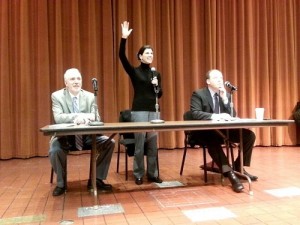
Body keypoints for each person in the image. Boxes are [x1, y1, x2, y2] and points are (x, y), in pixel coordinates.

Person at [49, 68, 115, 196]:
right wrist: (78, 117)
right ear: (66, 82)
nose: (76, 82)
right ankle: (61, 184)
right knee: (55, 150)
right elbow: (58, 117)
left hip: (87, 137)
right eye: (72, 79)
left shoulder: (90, 96)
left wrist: (88, 117)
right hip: (65, 138)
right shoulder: (57, 96)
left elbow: (97, 117)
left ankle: (96, 179)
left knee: (109, 142)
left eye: (78, 79)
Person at [190, 69, 257, 193]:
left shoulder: (225, 95)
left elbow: (233, 115)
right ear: (208, 81)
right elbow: (195, 113)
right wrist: (215, 116)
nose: (220, 80)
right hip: (204, 132)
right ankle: (230, 173)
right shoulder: (199, 94)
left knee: (249, 136)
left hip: (223, 130)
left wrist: (225, 100)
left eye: (221, 77)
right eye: (216, 78)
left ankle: (238, 166)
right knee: (212, 140)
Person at [119, 21, 163, 185]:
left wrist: (156, 85)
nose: (150, 55)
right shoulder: (135, 71)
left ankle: (153, 173)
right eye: (147, 53)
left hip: (154, 111)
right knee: (139, 144)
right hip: (139, 111)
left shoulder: (155, 73)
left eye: (152, 53)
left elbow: (160, 94)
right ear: (140, 56)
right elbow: (122, 57)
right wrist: (124, 38)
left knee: (152, 145)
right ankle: (138, 173)